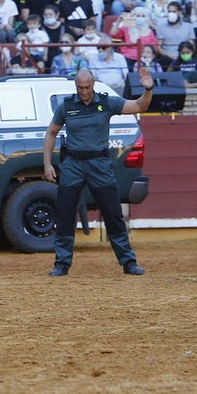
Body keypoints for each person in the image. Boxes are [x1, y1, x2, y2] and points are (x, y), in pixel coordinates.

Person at [43, 66, 152, 278]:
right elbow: (51, 133)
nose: (84, 92)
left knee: (112, 213)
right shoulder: (66, 106)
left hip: (99, 163)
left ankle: (128, 262)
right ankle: (62, 263)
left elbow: (140, 106)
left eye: (87, 87)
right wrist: (47, 163)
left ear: (93, 84)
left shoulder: (106, 102)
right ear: (75, 86)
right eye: (80, 87)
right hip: (73, 163)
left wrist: (147, 90)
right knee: (65, 214)